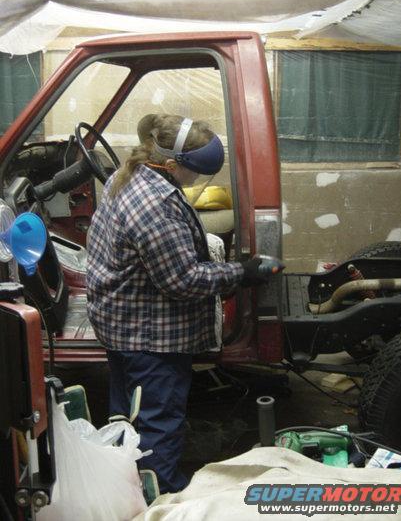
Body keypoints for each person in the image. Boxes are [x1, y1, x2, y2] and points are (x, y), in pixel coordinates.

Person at [86, 113, 269, 494]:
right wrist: (243, 272)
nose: (198, 182)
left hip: (122, 323)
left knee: (127, 419)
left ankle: (124, 492)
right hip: (149, 336)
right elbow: (182, 280)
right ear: (171, 164)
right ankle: (162, 498)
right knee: (158, 424)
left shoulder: (132, 174)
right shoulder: (156, 203)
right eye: (196, 174)